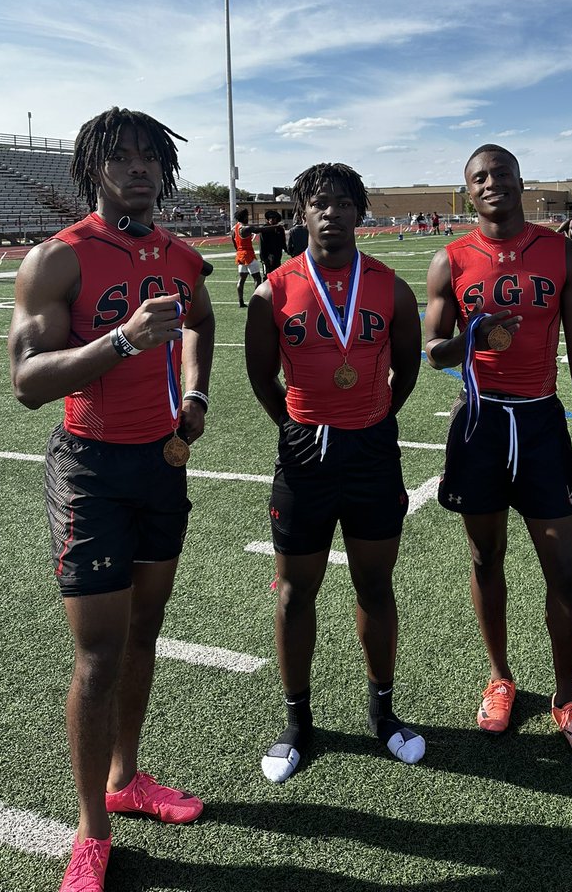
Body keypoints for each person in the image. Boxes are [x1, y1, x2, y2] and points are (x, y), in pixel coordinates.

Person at [8, 107, 215, 892]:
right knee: (97, 656)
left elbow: (199, 321)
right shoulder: (57, 260)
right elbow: (27, 384)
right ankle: (92, 829)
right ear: (93, 168)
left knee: (143, 637)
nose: (135, 169)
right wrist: (121, 341)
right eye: (119, 158)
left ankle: (130, 779)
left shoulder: (182, 255)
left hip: (161, 464)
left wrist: (195, 397)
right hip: (90, 468)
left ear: (163, 169)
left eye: (146, 158)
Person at [423, 145, 572, 760]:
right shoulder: (449, 260)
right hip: (478, 424)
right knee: (484, 556)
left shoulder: (561, 252)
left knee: (564, 568)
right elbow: (433, 352)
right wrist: (474, 334)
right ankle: (500, 678)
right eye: (480, 178)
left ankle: (566, 697)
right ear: (468, 193)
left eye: (502, 173)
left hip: (541, 424)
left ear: (521, 182)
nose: (492, 184)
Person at [245, 162, 424, 783]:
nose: (332, 213)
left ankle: (384, 711)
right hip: (303, 453)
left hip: (371, 449)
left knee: (376, 586)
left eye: (344, 203)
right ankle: (297, 719)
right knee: (296, 592)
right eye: (320, 203)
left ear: (359, 211)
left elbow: (407, 367)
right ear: (303, 212)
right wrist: (297, 422)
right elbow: (259, 374)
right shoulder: (274, 289)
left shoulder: (391, 287)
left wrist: (371, 419)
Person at [233, 208, 264, 307]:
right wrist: (277, 226)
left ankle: (241, 302)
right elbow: (261, 230)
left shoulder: (234, 229)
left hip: (240, 255)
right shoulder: (246, 228)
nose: (248, 218)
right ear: (244, 217)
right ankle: (257, 301)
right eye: (247, 216)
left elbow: (234, 243)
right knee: (257, 278)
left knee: (242, 279)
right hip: (248, 255)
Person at [259, 209, 288, 275]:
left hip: (277, 254)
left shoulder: (280, 229)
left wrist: (287, 250)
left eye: (274, 218)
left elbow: (283, 241)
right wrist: (264, 258)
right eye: (270, 218)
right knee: (267, 275)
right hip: (267, 256)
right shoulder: (264, 228)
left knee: (277, 274)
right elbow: (262, 244)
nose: (272, 219)